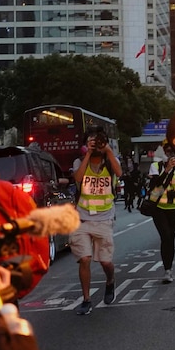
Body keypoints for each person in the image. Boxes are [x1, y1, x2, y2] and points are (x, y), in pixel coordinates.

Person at [71, 125, 122, 316]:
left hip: (104, 219)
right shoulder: (79, 162)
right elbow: (78, 177)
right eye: (91, 141)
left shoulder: (110, 161)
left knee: (105, 261)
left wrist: (107, 150)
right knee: (84, 259)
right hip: (82, 218)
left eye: (98, 140)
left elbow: (120, 174)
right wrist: (87, 154)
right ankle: (86, 299)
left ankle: (110, 281)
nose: (95, 144)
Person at [147, 155, 175, 283]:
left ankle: (168, 269)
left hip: (174, 207)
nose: (173, 159)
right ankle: (167, 269)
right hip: (159, 207)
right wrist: (167, 170)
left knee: (171, 239)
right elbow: (154, 186)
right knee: (166, 236)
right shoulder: (156, 166)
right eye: (170, 156)